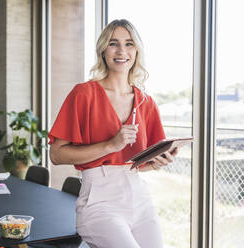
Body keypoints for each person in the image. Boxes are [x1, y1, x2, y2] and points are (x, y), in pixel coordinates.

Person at [48, 19, 178, 248]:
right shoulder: (83, 94)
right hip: (99, 202)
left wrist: (157, 162)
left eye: (129, 44)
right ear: (103, 50)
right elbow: (57, 155)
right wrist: (111, 144)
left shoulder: (146, 102)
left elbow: (140, 163)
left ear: (136, 51)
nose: (121, 51)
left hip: (139, 198)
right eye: (113, 44)